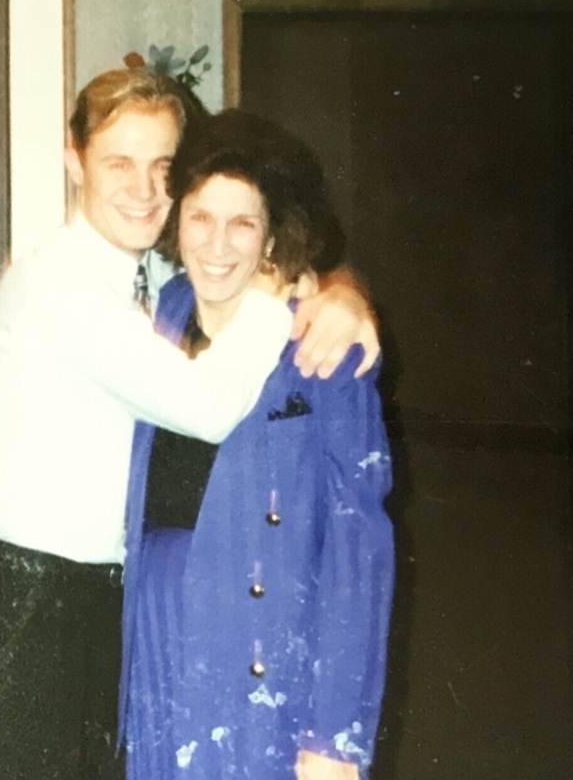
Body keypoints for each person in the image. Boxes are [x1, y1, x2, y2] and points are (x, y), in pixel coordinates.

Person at [0, 69, 379, 780]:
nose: (145, 189)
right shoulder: (60, 283)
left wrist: (340, 290)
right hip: (27, 600)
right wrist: (273, 290)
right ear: (74, 160)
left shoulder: (154, 278)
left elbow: (262, 242)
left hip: (105, 605)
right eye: (119, 163)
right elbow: (204, 407)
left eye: (162, 167)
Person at [120, 109, 394, 780]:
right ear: (177, 223)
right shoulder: (158, 319)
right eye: (200, 218)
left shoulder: (321, 343)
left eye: (242, 223)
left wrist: (336, 739)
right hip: (155, 637)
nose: (218, 245)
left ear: (273, 235)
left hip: (259, 651)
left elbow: (358, 553)